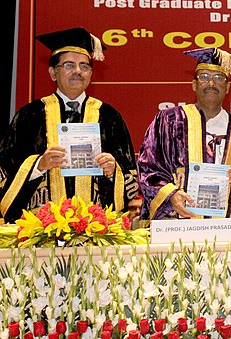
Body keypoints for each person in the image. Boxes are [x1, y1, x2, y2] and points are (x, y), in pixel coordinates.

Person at [0, 27, 139, 223]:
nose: (77, 71)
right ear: (52, 73)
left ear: (91, 73)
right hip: (39, 228)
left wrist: (112, 172)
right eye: (69, 65)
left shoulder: (109, 117)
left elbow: (130, 176)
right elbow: (4, 169)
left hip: (97, 229)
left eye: (84, 66)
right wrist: (38, 165)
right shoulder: (29, 116)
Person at [137, 47, 231, 240]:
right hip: (177, 226)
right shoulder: (168, 121)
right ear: (194, 84)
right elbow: (148, 167)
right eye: (204, 76)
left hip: (225, 230)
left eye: (219, 78)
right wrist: (171, 195)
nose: (211, 83)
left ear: (228, 87)